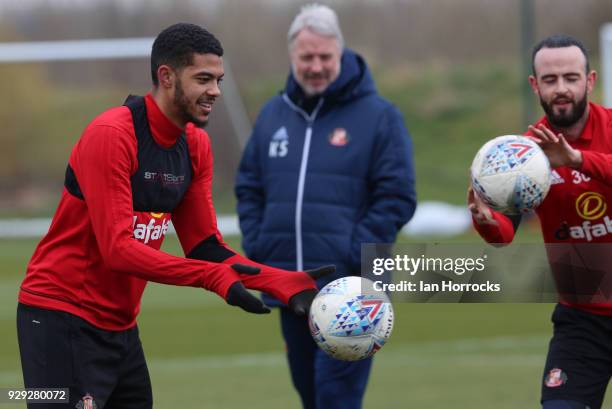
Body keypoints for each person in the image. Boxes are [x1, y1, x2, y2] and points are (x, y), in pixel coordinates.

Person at [17, 23, 334, 409]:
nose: (215, 90)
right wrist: (210, 279)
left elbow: (205, 247)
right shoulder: (112, 134)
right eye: (203, 79)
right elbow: (119, 250)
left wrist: (276, 279)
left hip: (120, 327)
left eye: (218, 79)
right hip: (59, 318)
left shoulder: (196, 144)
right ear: (166, 77)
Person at [235, 4, 416, 409]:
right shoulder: (272, 114)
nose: (316, 66)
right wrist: (260, 245)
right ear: (291, 57)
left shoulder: (380, 116)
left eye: (324, 57)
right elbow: (248, 186)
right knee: (311, 394)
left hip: (353, 290)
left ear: (341, 53)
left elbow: (398, 195)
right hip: (288, 287)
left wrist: (354, 253)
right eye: (306, 57)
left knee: (337, 398)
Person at [469, 34, 612, 409]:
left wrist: (579, 160)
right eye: (550, 80)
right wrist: (485, 220)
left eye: (571, 77)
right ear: (535, 85)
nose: (561, 88)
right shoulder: (524, 154)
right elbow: (503, 233)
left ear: (590, 80)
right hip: (582, 320)